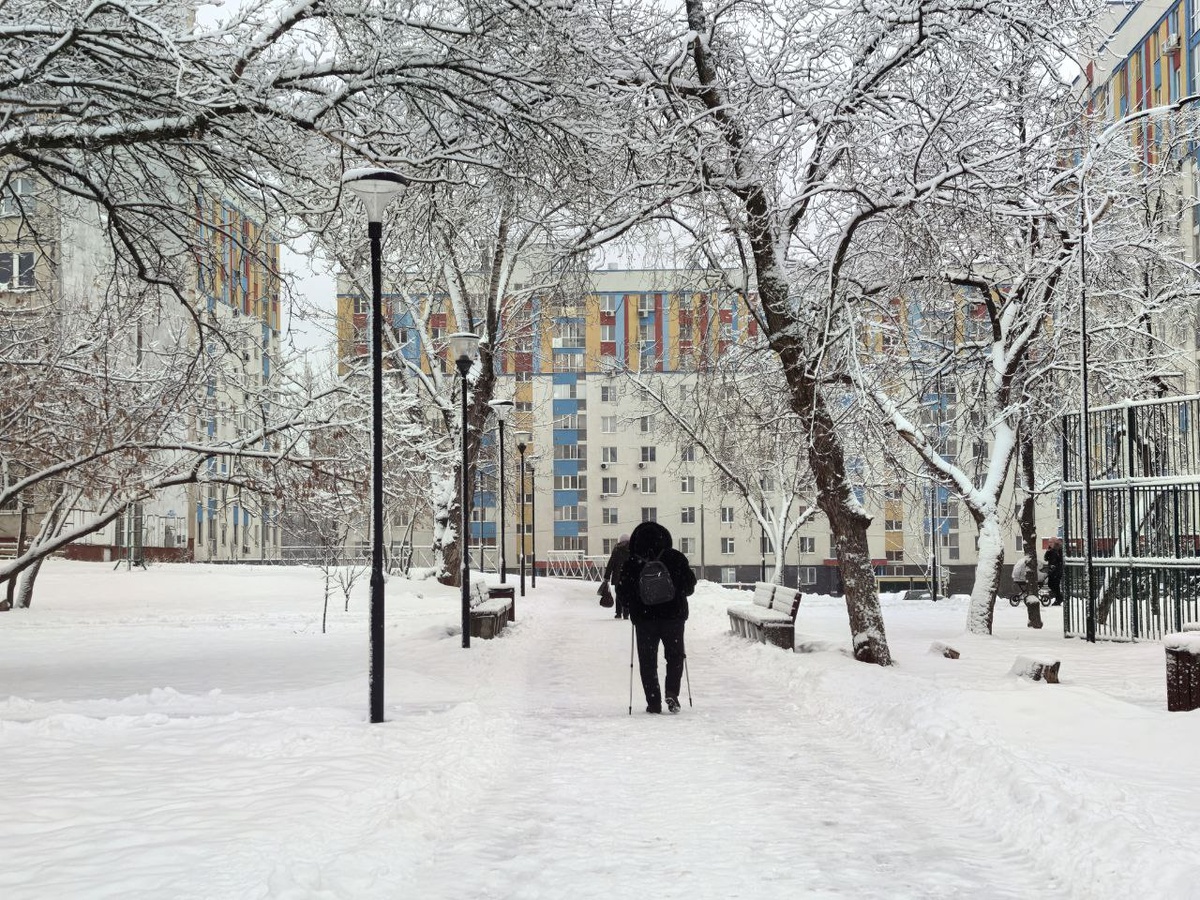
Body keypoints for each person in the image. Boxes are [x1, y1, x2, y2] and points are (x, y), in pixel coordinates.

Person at [615, 521, 696, 714]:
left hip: (645, 620)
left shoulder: (632, 562)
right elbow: (690, 586)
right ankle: (672, 692)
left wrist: (633, 605)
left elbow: (622, 592)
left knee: (647, 660)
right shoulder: (675, 557)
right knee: (675, 656)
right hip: (673, 618)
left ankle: (653, 702)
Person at [601, 534, 632, 619]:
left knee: (619, 594)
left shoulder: (617, 549)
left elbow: (611, 563)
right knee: (628, 595)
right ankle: (626, 613)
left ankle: (618, 613)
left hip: (618, 577)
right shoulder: (632, 549)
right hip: (629, 577)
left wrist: (607, 576)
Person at [1043, 537, 1064, 606]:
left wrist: (1056, 565)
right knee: (1050, 584)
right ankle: (1059, 597)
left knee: (1055, 585)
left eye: (1051, 542)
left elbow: (1061, 560)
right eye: (1049, 542)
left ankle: (1058, 599)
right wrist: (1048, 551)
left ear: (1055, 543)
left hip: (1057, 570)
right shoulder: (1050, 550)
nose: (1049, 544)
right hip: (1052, 570)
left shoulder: (1059, 549)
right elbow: (1045, 558)